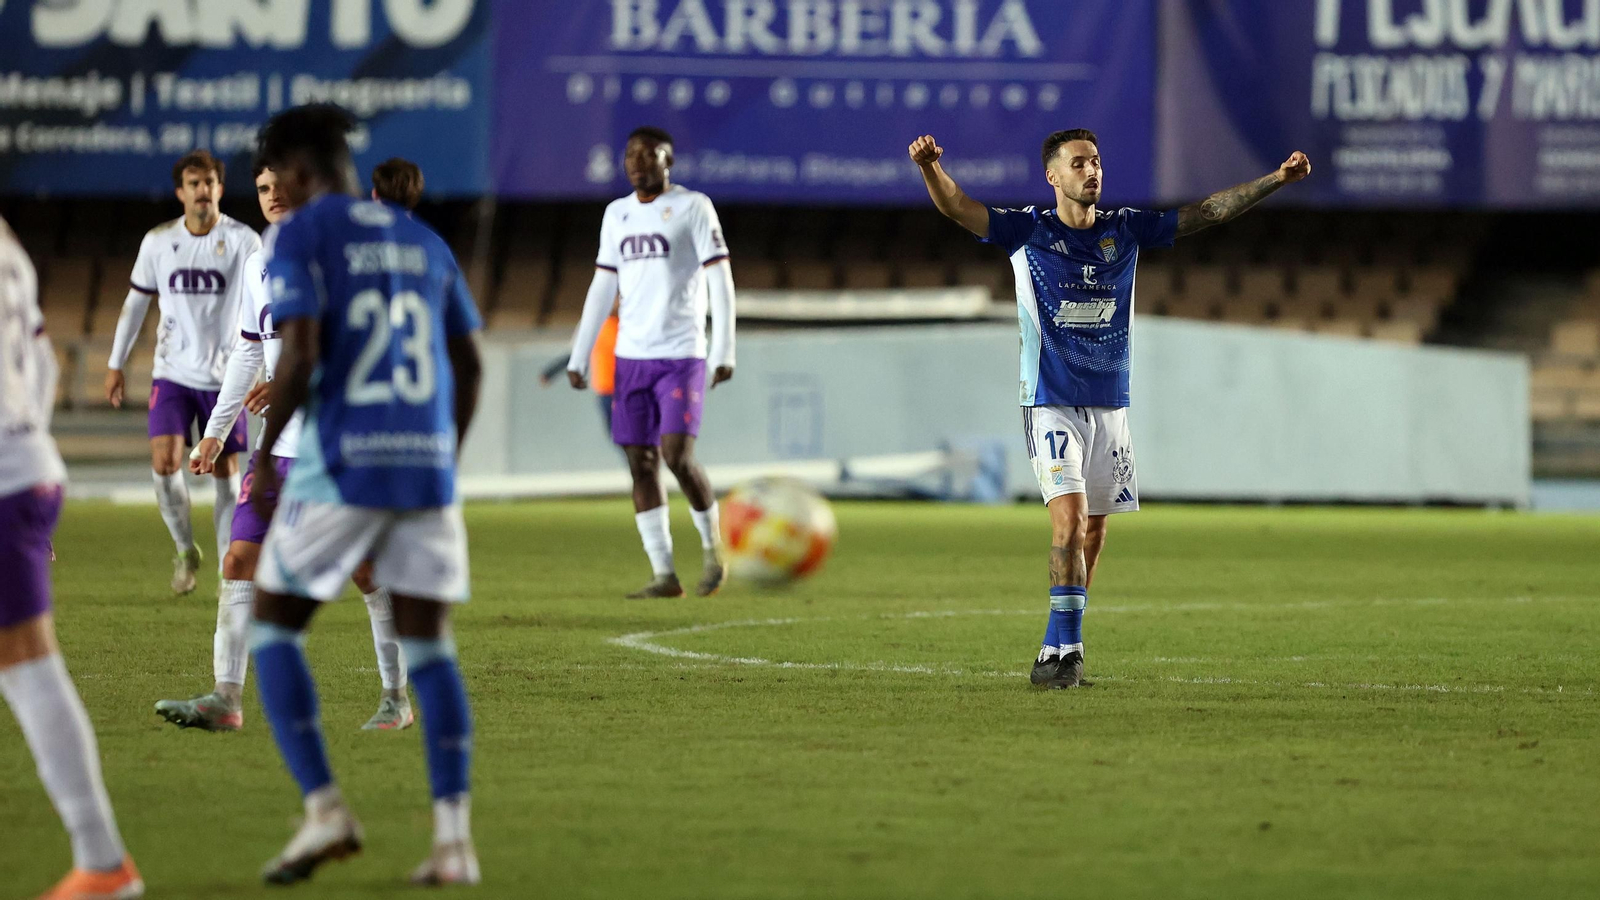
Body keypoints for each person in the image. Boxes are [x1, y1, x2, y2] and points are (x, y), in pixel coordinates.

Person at [909, 129, 1311, 688]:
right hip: (1050, 403)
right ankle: (1064, 656)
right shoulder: (1027, 231)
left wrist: (1276, 179)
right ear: (1053, 176)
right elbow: (958, 207)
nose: (1091, 170)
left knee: (1095, 532)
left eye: (1096, 161)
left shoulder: (1125, 230)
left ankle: (1057, 651)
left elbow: (1210, 213)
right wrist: (930, 168)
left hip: (1111, 407)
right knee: (1069, 521)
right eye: (1078, 163)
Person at [245, 104, 484, 885]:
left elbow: (301, 349)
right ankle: (453, 843)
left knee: (275, 627)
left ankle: (325, 811)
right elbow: (471, 364)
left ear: (302, 174)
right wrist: (443, 454)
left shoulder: (302, 235)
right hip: (425, 468)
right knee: (432, 647)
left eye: (279, 179)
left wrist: (262, 456)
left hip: (344, 461)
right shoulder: (423, 239)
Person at [156, 158, 413, 734]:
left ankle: (396, 698)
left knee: (367, 572)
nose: (271, 197)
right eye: (263, 188)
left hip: (336, 444)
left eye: (281, 186)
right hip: (277, 449)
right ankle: (226, 698)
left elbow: (362, 344)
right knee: (239, 560)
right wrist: (217, 432)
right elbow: (250, 352)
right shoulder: (258, 262)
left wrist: (300, 377)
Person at [1, 215, 144, 899]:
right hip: (25, 466)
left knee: (29, 667)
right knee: (25, 666)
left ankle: (102, 858)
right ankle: (100, 857)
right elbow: (45, 361)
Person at [567, 126, 737, 598]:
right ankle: (664, 574)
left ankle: (712, 552)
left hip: (682, 352)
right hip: (630, 358)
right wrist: (581, 353)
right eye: (631, 156)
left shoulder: (693, 207)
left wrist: (724, 348)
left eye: (649, 155)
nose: (638, 163)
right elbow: (603, 285)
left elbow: (720, 278)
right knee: (640, 463)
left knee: (676, 456)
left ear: (669, 162)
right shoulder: (616, 214)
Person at [105, 150, 260, 595]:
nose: (202, 191)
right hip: (171, 372)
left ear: (220, 188)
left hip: (225, 376)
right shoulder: (158, 242)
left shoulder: (245, 241)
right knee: (165, 462)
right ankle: (185, 548)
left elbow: (265, 304)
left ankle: (227, 570)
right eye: (194, 184)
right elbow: (136, 303)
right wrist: (116, 362)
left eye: (209, 182)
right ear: (181, 192)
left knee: (226, 475)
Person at [542, 299, 620, 439]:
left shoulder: (629, 323)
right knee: (615, 435)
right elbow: (576, 353)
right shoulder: (593, 324)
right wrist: (551, 372)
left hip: (628, 390)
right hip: (606, 390)